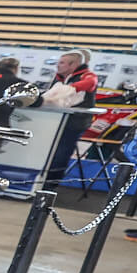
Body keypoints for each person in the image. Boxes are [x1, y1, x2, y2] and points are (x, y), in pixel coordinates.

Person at [40, 48, 100, 189]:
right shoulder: (60, 77)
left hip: (74, 123)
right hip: (55, 121)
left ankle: (50, 184)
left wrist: (70, 89)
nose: (58, 65)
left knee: (62, 151)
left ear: (73, 65)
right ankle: (43, 180)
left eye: (62, 63)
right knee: (52, 151)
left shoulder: (88, 76)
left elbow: (89, 84)